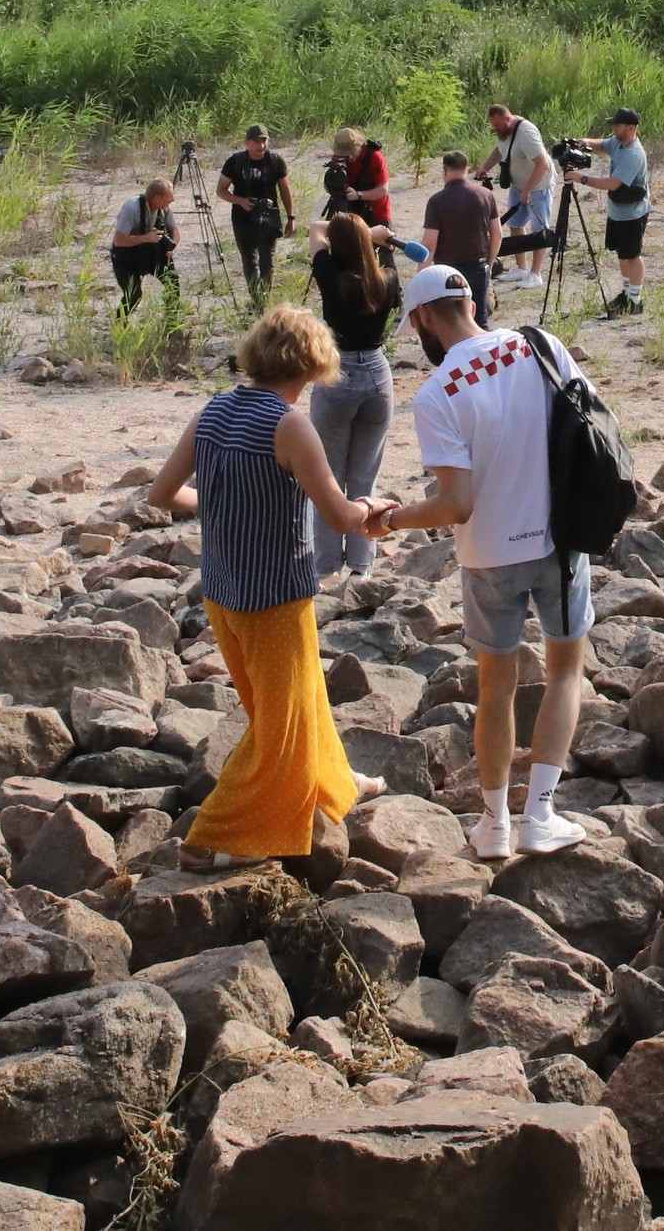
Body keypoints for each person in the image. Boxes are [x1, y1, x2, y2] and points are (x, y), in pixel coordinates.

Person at [366, 265, 595, 859]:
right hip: (561, 540)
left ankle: (494, 824)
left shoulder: (437, 393)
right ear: (472, 298)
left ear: (420, 319)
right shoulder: (541, 346)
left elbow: (457, 504)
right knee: (565, 671)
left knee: (496, 689)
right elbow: (591, 426)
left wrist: (390, 518)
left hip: (490, 554)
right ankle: (540, 814)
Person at [142, 306, 375, 864]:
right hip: (274, 596)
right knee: (281, 723)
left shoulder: (215, 409)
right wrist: (372, 506)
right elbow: (341, 518)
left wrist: (219, 501)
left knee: (295, 700)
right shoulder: (291, 424)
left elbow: (162, 495)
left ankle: (336, 782)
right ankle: (222, 836)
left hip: (223, 593)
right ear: (311, 363)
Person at [303, 211, 401, 575]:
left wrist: (359, 232)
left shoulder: (332, 275)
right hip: (377, 372)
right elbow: (381, 262)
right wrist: (371, 236)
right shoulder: (386, 280)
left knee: (328, 478)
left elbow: (314, 228)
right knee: (364, 475)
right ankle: (362, 563)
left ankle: (327, 565)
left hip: (337, 372)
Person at [573, 109, 651, 318]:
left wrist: (581, 178)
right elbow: (602, 145)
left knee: (632, 255)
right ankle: (626, 294)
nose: (614, 129)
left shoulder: (633, 153)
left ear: (632, 128)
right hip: (618, 210)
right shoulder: (618, 142)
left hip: (633, 212)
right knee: (622, 254)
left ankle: (635, 299)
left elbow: (613, 184)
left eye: (618, 125)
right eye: (614, 125)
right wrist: (584, 142)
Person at [421, 150, 502, 327]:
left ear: (445, 170)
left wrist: (422, 274)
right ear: (466, 169)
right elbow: (497, 234)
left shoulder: (437, 201)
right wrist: (489, 262)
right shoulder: (485, 195)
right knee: (480, 321)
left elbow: (429, 243)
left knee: (451, 323)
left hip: (447, 272)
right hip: (477, 267)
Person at [215, 125, 294, 303]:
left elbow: (285, 191)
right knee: (249, 261)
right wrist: (241, 201)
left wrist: (291, 218)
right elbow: (221, 191)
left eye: (264, 140)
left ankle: (264, 300)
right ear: (247, 143)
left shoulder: (275, 161)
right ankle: (256, 300)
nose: (261, 145)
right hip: (243, 218)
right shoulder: (235, 162)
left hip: (270, 216)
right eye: (256, 141)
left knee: (267, 262)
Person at [486, 103, 555, 293]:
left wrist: (529, 190)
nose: (496, 130)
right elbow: (500, 150)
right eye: (493, 127)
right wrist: (485, 167)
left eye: (498, 126)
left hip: (538, 186)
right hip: (519, 185)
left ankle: (536, 274)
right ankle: (521, 268)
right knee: (515, 224)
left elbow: (542, 165)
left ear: (508, 119)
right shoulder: (505, 132)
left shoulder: (526, 133)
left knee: (539, 230)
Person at [108, 178, 179, 311]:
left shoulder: (164, 208)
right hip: (127, 256)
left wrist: (173, 246)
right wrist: (146, 238)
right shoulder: (131, 207)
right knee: (133, 295)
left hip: (152, 254)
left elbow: (174, 230)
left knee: (173, 284)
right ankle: (119, 324)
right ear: (157, 198)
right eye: (170, 196)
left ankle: (171, 325)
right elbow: (119, 240)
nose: (173, 199)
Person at [321, 127, 395, 235]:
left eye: (351, 151)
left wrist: (358, 195)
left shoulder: (374, 157)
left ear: (358, 145)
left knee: (382, 249)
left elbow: (383, 190)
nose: (349, 157)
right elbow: (330, 187)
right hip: (351, 213)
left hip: (377, 213)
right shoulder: (339, 160)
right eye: (345, 154)